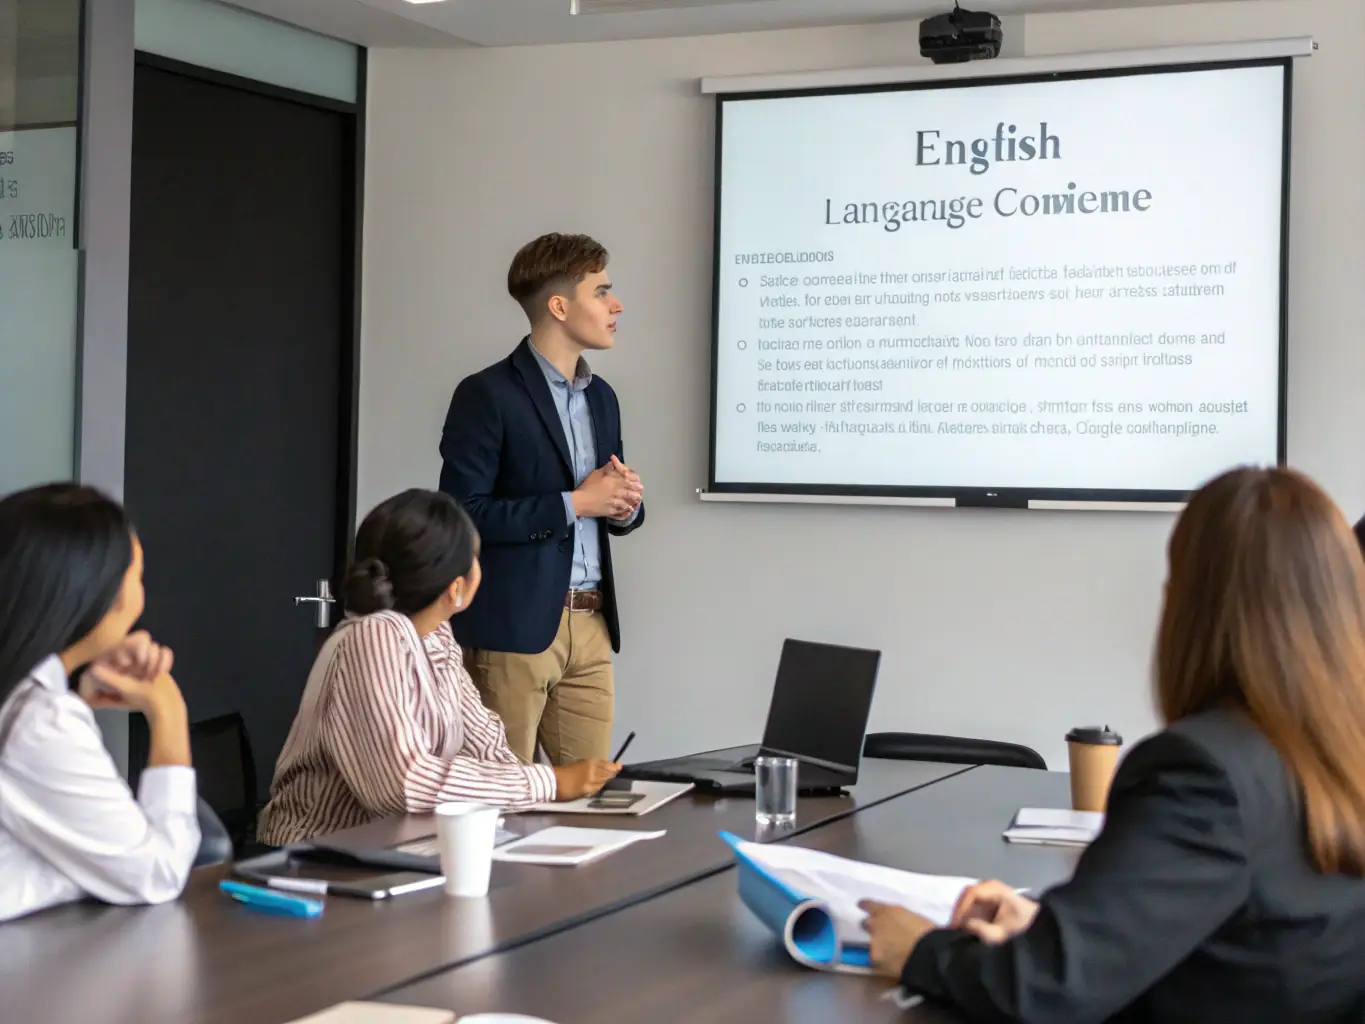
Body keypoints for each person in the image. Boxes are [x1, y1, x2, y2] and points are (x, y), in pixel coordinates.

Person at [860, 466, 1365, 1022]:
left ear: (1190, 607)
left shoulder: (1206, 774)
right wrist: (1054, 925)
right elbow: (1248, 933)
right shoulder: (1337, 754)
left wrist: (921, 950)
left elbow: (1046, 991)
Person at [257, 489, 621, 846]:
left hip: (394, 852)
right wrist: (551, 783)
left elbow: (486, 742)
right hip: (316, 865)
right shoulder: (374, 635)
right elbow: (406, 784)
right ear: (457, 586)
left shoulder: (435, 634)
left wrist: (535, 789)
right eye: (476, 558)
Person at [437, 232, 645, 765]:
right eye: (602, 291)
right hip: (513, 632)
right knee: (502, 810)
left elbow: (605, 505)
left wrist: (624, 504)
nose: (616, 304)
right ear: (559, 305)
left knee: (589, 806)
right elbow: (462, 516)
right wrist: (576, 503)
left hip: (592, 626)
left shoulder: (602, 398)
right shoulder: (486, 395)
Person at [0, 483, 199, 922]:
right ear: (101, 596)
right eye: (138, 577)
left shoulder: (28, 709)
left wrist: (78, 694)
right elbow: (156, 873)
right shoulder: (37, 723)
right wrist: (168, 709)